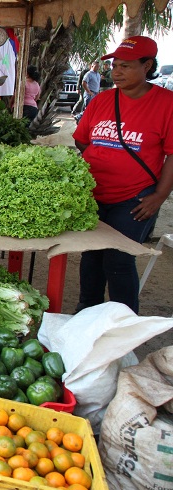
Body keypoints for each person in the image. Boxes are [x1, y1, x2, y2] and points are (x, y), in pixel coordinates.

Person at [72, 36, 173, 314]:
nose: (116, 72)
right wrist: (102, 157)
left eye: (126, 66)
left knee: (118, 258)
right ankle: (87, 310)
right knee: (91, 254)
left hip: (134, 198)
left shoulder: (167, 104)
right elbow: (82, 140)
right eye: (115, 66)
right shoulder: (101, 100)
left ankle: (123, 319)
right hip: (93, 195)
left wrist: (159, 197)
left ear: (147, 65)